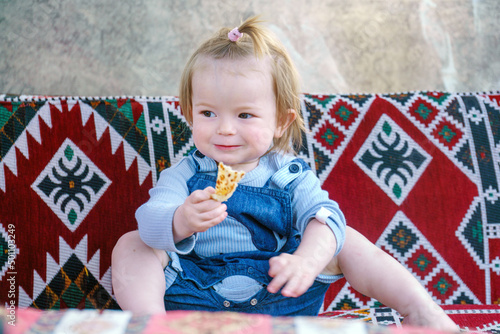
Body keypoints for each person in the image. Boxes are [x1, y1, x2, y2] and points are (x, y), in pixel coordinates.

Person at [111, 16, 457, 330]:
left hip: (281, 293)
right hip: (196, 297)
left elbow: (325, 217)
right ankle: (149, 323)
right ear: (188, 113)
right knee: (133, 244)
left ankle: (421, 311)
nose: (225, 129)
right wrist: (180, 220)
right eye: (208, 113)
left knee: (343, 237)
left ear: (281, 121)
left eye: (244, 115)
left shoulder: (289, 176)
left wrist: (306, 261)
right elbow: (150, 220)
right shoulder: (185, 174)